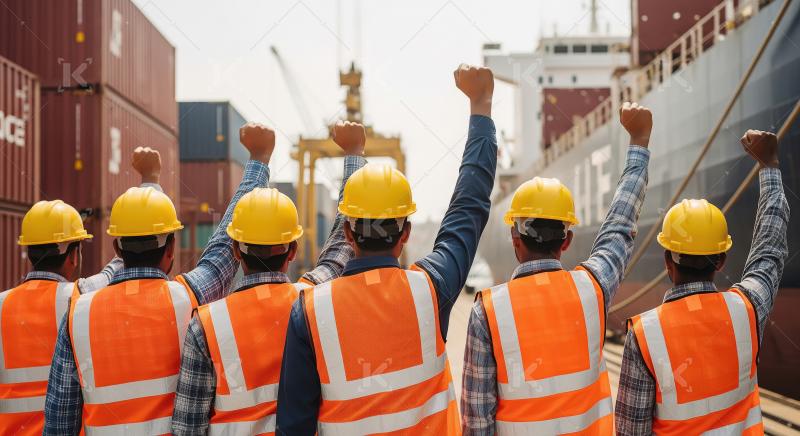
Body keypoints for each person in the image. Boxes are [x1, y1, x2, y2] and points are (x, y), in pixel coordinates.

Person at [276, 64, 497, 435]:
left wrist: (354, 156)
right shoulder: (431, 289)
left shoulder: (309, 311)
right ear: (405, 232)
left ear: (348, 233)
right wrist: (481, 107)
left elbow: (293, 427)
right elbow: (469, 205)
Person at [43, 123, 276, 435]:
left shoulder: (77, 315)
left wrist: (149, 183)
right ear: (171, 249)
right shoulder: (188, 297)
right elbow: (224, 246)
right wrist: (259, 160)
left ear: (117, 249)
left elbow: (59, 424)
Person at [461, 102, 654, 435]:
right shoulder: (593, 288)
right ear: (567, 240)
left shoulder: (487, 313)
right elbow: (620, 227)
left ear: (515, 239)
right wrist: (638, 142)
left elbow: (478, 424)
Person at [170, 121, 368, 435]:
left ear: (236, 250)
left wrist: (258, 160)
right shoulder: (312, 303)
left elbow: (187, 429)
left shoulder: (206, 326)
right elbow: (342, 246)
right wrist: (354, 154)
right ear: (293, 251)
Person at [615, 130, 789, 435]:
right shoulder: (747, 310)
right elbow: (769, 251)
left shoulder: (644, 335)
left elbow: (631, 431)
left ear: (667, 261)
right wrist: (769, 166)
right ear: (720, 261)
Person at [0, 150, 161, 435]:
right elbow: (128, 259)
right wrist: (150, 180)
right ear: (74, 255)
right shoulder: (81, 297)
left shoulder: (1, 305)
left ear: (29, 252)